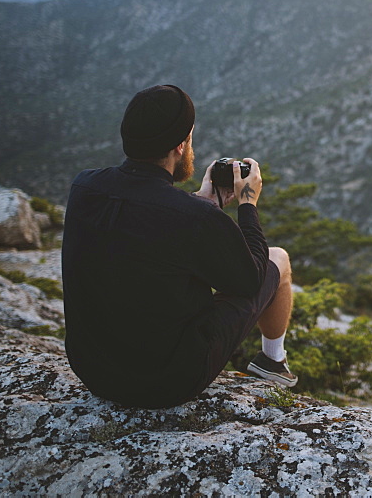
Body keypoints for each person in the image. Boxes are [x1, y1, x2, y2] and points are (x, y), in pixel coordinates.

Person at [61, 84, 296, 409]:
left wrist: (204, 201)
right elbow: (250, 281)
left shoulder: (84, 186)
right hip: (166, 383)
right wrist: (247, 204)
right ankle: (273, 363)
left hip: (92, 371)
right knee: (277, 259)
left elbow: (144, 222)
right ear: (181, 146)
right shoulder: (191, 217)